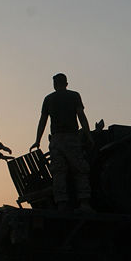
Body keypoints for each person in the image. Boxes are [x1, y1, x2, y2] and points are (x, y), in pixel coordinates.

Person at [31, 73, 94, 212]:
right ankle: (84, 203)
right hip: (72, 138)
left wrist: (37, 140)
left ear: (54, 84)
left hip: (56, 140)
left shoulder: (48, 99)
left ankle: (62, 204)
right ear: (66, 83)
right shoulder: (74, 96)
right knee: (79, 169)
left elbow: (43, 121)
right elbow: (81, 116)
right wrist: (88, 135)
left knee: (59, 173)